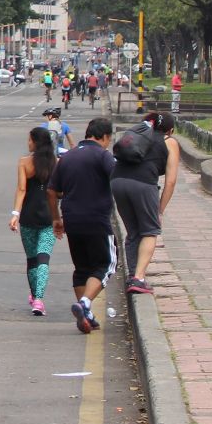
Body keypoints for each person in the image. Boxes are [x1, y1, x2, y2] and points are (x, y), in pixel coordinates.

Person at [49, 116, 118, 334]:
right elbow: (116, 179)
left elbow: (51, 190)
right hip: (97, 220)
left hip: (72, 220)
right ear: (104, 136)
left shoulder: (67, 157)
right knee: (107, 264)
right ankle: (85, 303)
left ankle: (85, 316)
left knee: (82, 268)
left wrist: (56, 218)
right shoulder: (103, 156)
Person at [113, 111, 179, 295]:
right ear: (170, 130)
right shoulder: (169, 141)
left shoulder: (138, 135)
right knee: (150, 231)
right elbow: (171, 182)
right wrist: (160, 210)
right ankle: (139, 278)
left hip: (117, 181)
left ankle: (132, 276)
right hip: (143, 184)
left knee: (133, 232)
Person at [12, 125, 59, 316]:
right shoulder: (56, 163)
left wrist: (15, 213)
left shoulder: (24, 162)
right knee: (43, 258)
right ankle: (39, 299)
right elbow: (60, 191)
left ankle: (35, 296)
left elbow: (22, 190)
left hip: (28, 216)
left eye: (30, 140)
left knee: (32, 260)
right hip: (50, 216)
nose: (28, 143)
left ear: (35, 142)